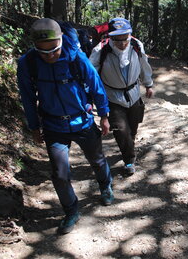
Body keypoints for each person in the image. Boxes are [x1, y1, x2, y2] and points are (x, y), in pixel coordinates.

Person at [17, 18, 113, 235]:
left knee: (97, 160)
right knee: (59, 174)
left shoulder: (76, 58)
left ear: (61, 41)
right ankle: (71, 211)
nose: (49, 56)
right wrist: (34, 127)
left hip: (83, 120)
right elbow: (28, 97)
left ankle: (105, 185)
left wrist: (104, 116)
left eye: (54, 50)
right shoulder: (28, 63)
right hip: (53, 125)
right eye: (43, 52)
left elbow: (96, 86)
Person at [89, 17, 154, 176]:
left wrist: (148, 84)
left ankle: (128, 145)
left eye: (125, 38)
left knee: (133, 127)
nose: (122, 43)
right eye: (117, 39)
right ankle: (129, 160)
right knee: (120, 129)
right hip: (112, 96)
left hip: (133, 93)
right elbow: (90, 74)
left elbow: (144, 64)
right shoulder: (100, 50)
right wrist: (90, 97)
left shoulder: (136, 45)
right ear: (110, 37)